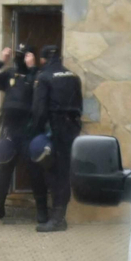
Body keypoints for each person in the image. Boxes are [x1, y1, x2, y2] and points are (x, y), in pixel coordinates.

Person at [0, 43, 48, 223]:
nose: (21, 58)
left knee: (35, 168)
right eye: (20, 55)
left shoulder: (39, 75)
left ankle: (42, 210)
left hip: (29, 129)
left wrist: (32, 68)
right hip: (10, 128)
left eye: (24, 55)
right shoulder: (10, 74)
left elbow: (40, 90)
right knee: (4, 164)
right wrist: (2, 61)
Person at [29, 43, 82, 233]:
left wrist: (35, 132)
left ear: (43, 59)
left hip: (54, 128)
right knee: (65, 172)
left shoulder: (43, 77)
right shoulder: (73, 76)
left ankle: (57, 219)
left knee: (53, 172)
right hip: (72, 129)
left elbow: (39, 109)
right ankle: (60, 216)